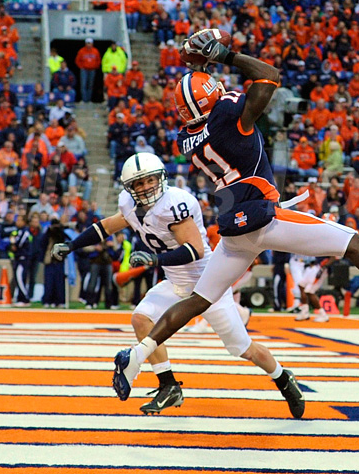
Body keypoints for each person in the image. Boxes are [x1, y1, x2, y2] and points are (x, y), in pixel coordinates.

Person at [55, 30, 359, 410]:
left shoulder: (189, 137)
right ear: (212, 95)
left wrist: (199, 69)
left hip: (235, 232)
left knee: (199, 298)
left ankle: (138, 356)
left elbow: (203, 103)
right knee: (353, 244)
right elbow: (269, 75)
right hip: (264, 219)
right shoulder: (227, 115)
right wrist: (226, 55)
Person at [52, 152, 305, 418]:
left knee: (243, 349)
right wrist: (72, 244)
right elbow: (106, 226)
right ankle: (168, 385)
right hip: (175, 283)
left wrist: (154, 259)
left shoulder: (176, 203)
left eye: (149, 180)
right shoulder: (129, 204)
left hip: (208, 286)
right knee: (140, 319)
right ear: (130, 188)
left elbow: (194, 250)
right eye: (138, 184)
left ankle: (282, 377)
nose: (146, 187)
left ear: (160, 178)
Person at [75, 38, 102, 103]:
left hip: (92, 70)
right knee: (83, 85)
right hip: (84, 70)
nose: (89, 45)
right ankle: (84, 100)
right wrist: (81, 66)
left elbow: (98, 60)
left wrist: (95, 66)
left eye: (90, 43)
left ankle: (89, 100)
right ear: (85, 44)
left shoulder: (95, 51)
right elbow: (77, 60)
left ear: (92, 44)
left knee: (90, 85)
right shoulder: (81, 51)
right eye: (87, 43)